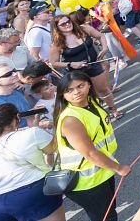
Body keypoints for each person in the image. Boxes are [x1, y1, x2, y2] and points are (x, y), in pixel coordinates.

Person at [0, 103, 64, 221]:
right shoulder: (31, 134)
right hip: (35, 191)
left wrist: (0, 187)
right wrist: (35, 129)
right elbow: (55, 148)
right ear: (16, 120)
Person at [54, 71, 129, 221]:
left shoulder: (91, 103)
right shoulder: (71, 119)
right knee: (106, 218)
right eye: (69, 90)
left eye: (80, 86)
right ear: (63, 95)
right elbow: (89, 153)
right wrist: (118, 168)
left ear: (89, 84)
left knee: (109, 213)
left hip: (101, 172)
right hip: (86, 182)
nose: (76, 92)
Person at [49, 16, 121, 120]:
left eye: (68, 21)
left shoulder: (83, 29)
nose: (67, 25)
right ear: (57, 28)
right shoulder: (57, 43)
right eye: (63, 24)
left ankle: (113, 110)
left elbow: (100, 36)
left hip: (94, 64)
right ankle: (99, 115)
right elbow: (54, 63)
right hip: (77, 72)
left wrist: (104, 48)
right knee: (87, 95)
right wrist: (71, 64)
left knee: (103, 89)